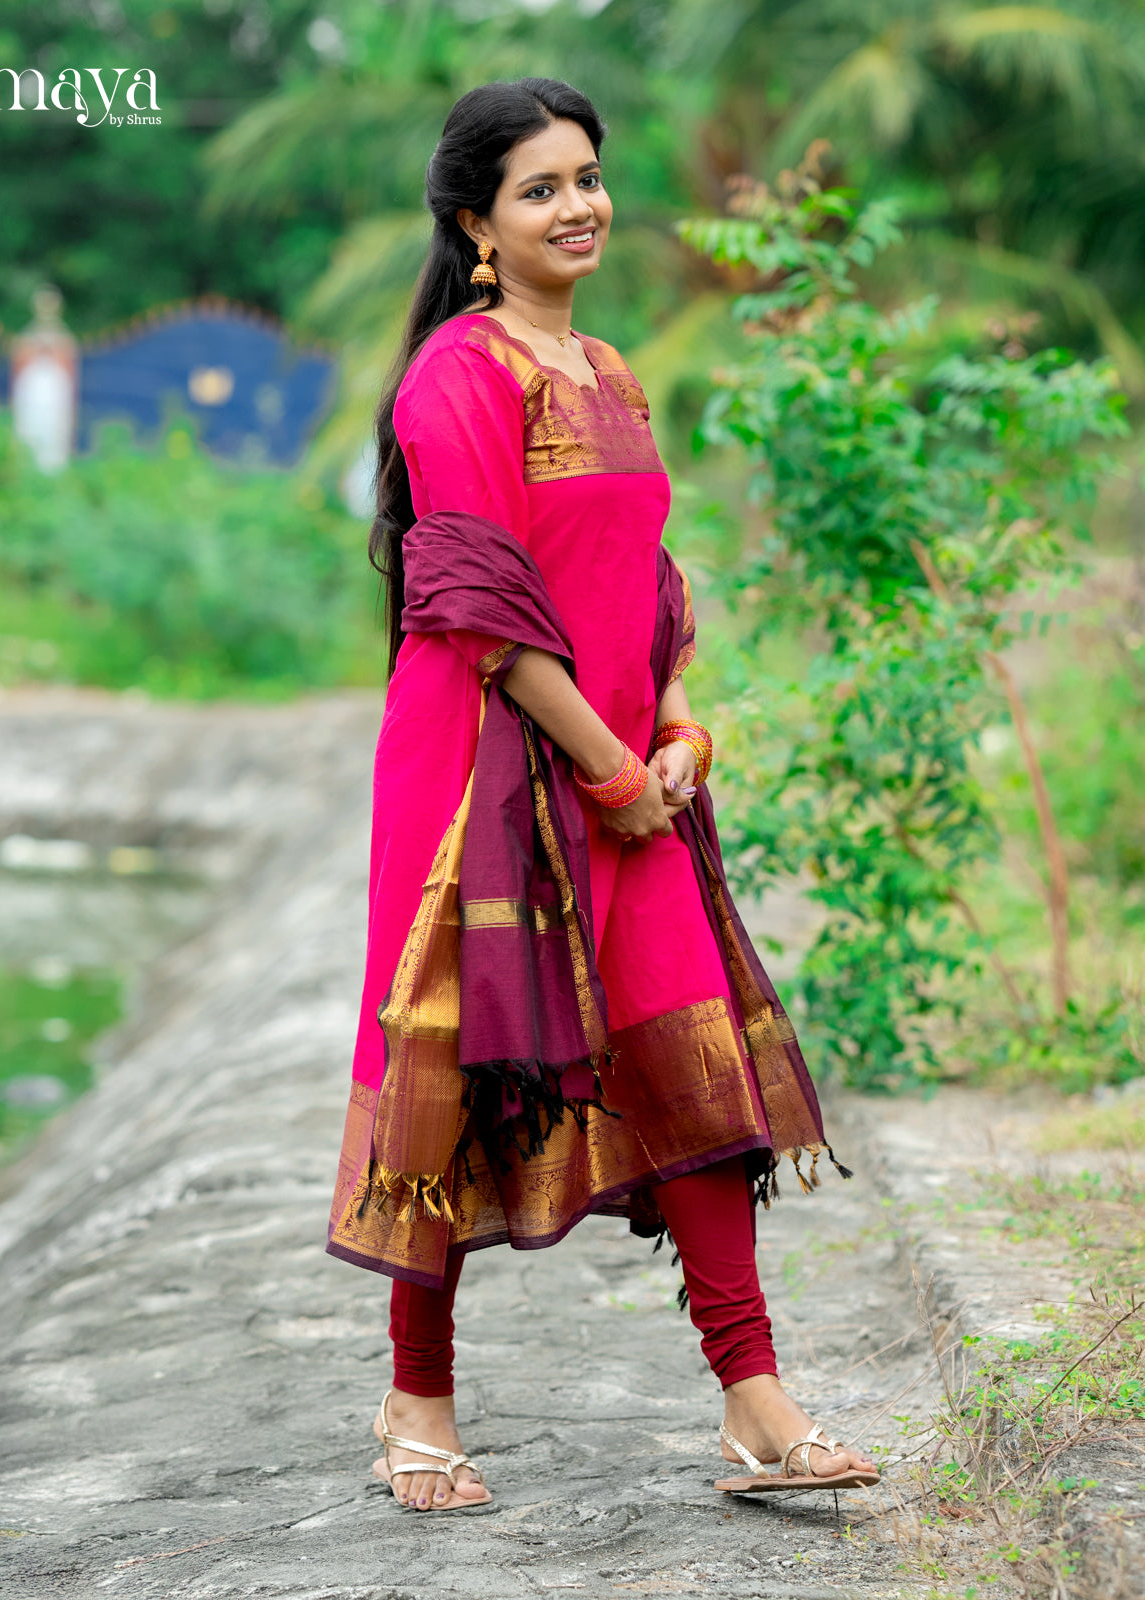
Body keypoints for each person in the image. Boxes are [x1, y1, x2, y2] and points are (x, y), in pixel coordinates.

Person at [326, 76, 879, 1513]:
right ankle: (419, 1404)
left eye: (588, 177)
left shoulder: (615, 370)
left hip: (630, 775)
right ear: (476, 224)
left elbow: (645, 580)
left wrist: (679, 728)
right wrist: (612, 767)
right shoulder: (459, 373)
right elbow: (478, 607)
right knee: (458, 1073)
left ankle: (759, 1412)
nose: (579, 205)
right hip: (481, 778)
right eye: (540, 188)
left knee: (692, 1060)